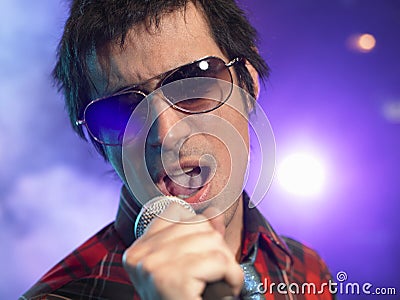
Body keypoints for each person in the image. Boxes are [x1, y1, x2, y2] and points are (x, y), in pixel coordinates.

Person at [21, 1, 335, 299]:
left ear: (248, 85)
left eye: (193, 80)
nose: (167, 133)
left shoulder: (306, 270)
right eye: (123, 110)